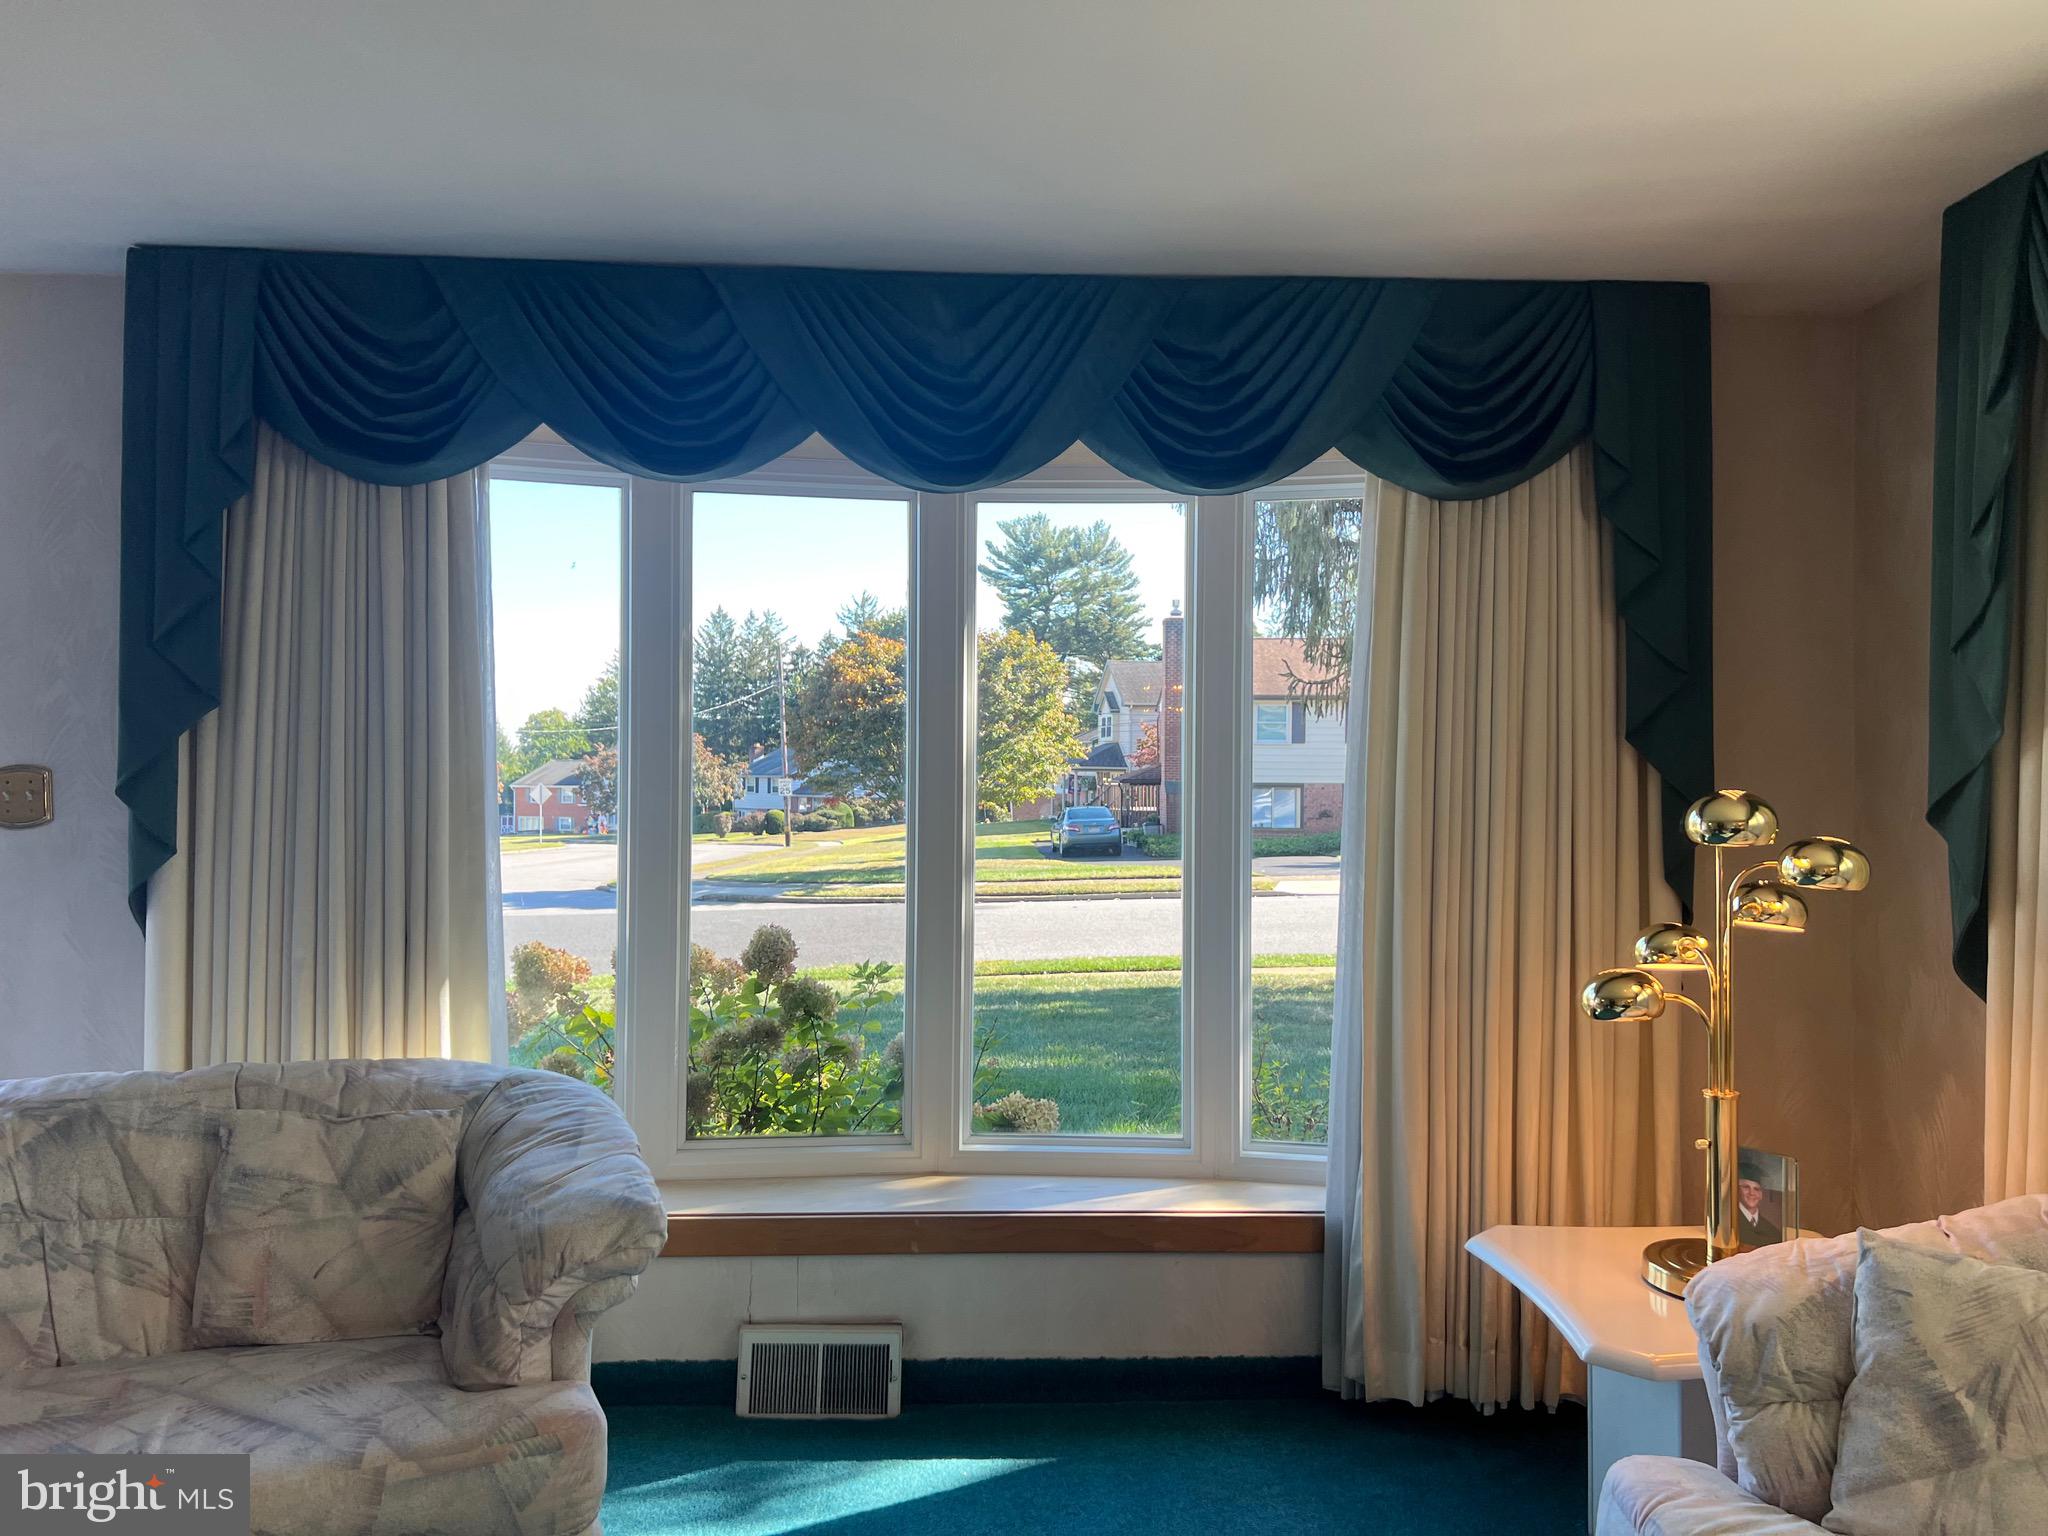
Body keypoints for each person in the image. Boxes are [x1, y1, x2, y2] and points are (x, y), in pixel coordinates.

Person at [1736, 1153, 1783, 1247]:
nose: (1752, 1193)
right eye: (1746, 1187)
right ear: (1736, 1190)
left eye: (1756, 1189)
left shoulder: (1773, 1232)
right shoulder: (1728, 1223)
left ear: (1761, 1195)